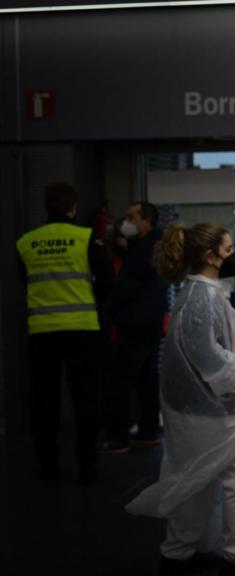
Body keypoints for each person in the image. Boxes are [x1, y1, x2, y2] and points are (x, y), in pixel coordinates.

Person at [126, 222, 235, 576]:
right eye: (227, 251)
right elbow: (206, 355)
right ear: (209, 256)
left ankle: (178, 553)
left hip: (193, 407)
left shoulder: (200, 292)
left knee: (195, 477)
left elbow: (203, 347)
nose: (232, 256)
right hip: (205, 408)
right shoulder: (203, 297)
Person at [16, 183, 112, 485]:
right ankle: (87, 464)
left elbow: (25, 281)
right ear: (73, 206)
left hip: (41, 331)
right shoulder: (85, 239)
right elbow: (107, 282)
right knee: (85, 399)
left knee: (44, 399)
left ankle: (47, 463)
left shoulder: (26, 242)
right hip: (82, 328)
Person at [101, 201, 168, 451]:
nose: (125, 222)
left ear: (146, 221)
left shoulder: (141, 251)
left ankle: (117, 438)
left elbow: (127, 287)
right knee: (147, 379)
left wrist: (107, 311)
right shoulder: (157, 247)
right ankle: (149, 430)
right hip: (151, 321)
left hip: (133, 322)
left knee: (120, 381)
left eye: (131, 217)